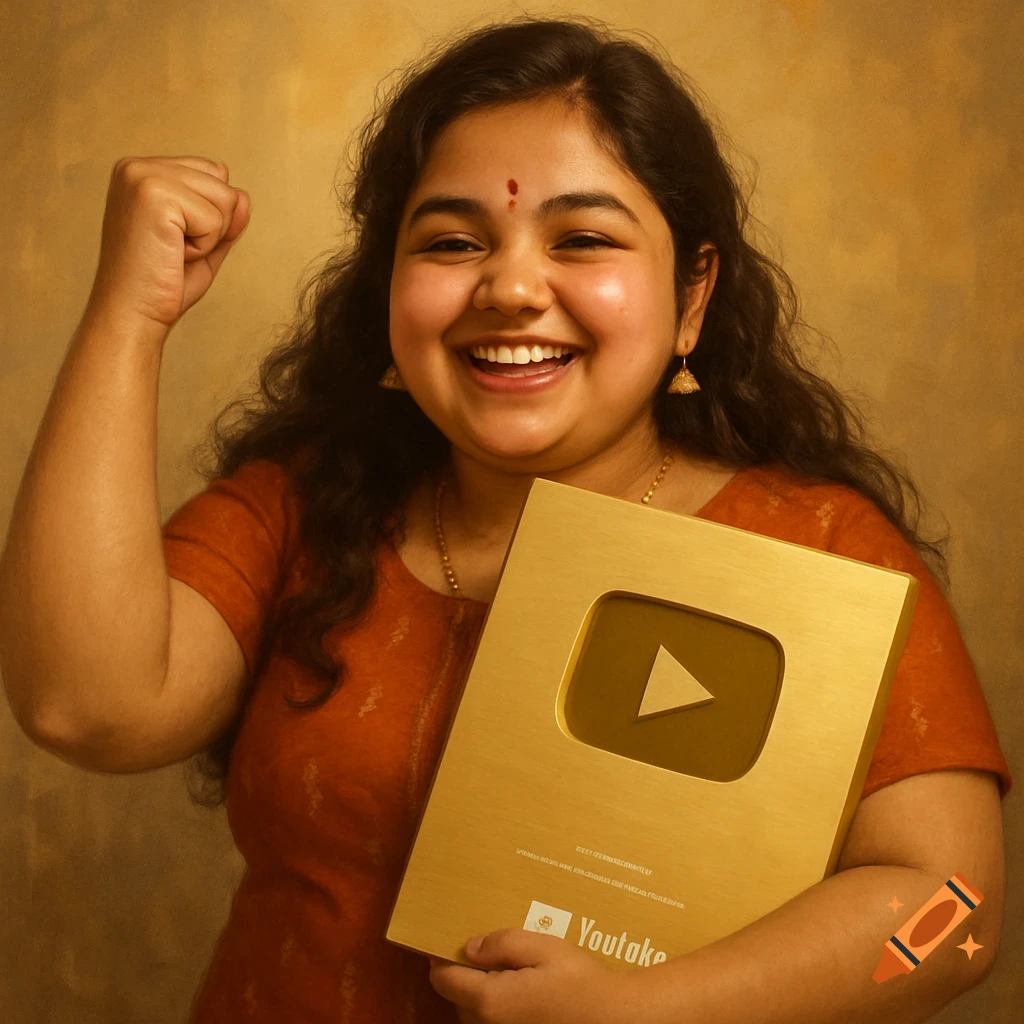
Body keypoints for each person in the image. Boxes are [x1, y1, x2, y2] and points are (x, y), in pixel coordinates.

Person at [0, 14, 1011, 1024]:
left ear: (691, 295)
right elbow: (83, 707)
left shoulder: (821, 548)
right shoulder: (304, 509)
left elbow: (955, 918)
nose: (512, 287)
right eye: (451, 241)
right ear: (387, 289)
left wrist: (655, 1009)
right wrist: (131, 314)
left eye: (581, 239)